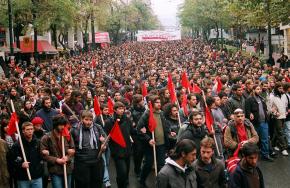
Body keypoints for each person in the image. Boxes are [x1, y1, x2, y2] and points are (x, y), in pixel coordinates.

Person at [137, 95, 172, 187]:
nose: (159, 104)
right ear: (152, 103)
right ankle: (142, 179)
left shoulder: (161, 113)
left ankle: (160, 182)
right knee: (148, 164)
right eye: (156, 102)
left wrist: (169, 132)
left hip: (161, 143)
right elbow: (140, 128)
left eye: (160, 102)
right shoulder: (147, 114)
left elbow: (164, 125)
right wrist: (148, 139)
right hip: (151, 145)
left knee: (161, 164)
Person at [71, 110, 106, 188]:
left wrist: (104, 144)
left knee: (96, 183)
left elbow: (105, 139)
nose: (89, 122)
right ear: (81, 119)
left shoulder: (97, 127)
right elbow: (70, 144)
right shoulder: (74, 129)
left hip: (96, 161)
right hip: (81, 162)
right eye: (86, 120)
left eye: (90, 120)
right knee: (83, 184)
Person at [104, 102, 134, 188]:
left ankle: (124, 184)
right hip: (117, 152)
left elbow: (132, 131)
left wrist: (141, 131)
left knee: (126, 172)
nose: (122, 110)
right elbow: (106, 135)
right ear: (114, 110)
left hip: (127, 150)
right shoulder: (109, 122)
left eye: (123, 108)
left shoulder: (127, 120)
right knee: (122, 172)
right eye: (119, 109)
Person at [40, 115, 75, 188]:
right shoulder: (46, 138)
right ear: (55, 125)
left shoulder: (67, 135)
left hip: (67, 168)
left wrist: (68, 157)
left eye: (64, 125)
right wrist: (57, 160)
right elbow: (43, 155)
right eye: (60, 125)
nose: (62, 127)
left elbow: (73, 149)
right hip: (55, 170)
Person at [7, 122, 44, 188]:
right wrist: (21, 164)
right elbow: (11, 160)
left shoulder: (38, 143)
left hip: (37, 176)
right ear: (23, 131)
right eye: (28, 129)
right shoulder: (17, 145)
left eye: (31, 129)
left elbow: (41, 158)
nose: (30, 131)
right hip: (23, 177)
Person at [245, 85, 273, 161]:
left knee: (265, 140)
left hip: (264, 122)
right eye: (257, 89)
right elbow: (247, 111)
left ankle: (265, 155)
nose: (259, 90)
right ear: (253, 90)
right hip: (255, 123)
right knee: (254, 140)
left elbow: (265, 109)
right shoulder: (249, 100)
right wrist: (250, 113)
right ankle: (252, 156)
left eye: (260, 89)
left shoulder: (261, 99)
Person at [268, 82, 289, 156]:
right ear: (276, 88)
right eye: (279, 88)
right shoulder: (272, 96)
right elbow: (269, 107)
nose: (281, 89)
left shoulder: (284, 95)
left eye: (282, 88)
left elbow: (285, 104)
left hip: (283, 115)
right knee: (280, 132)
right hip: (276, 117)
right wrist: (275, 113)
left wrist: (286, 111)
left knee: (277, 131)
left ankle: (273, 144)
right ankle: (283, 148)